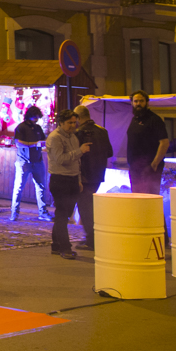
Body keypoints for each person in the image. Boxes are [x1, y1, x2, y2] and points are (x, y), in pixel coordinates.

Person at [46, 109, 90, 260]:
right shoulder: (55, 138)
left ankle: (56, 245)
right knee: (62, 215)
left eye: (74, 122)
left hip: (72, 179)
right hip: (60, 179)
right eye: (69, 123)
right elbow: (61, 159)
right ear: (61, 123)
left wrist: (78, 180)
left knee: (64, 215)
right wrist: (80, 151)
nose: (73, 125)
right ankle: (65, 248)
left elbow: (76, 162)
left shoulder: (73, 137)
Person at [73, 104, 113, 251]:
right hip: (98, 174)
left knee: (85, 208)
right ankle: (94, 237)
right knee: (91, 206)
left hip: (84, 175)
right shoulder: (102, 131)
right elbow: (110, 152)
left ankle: (91, 240)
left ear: (78, 117)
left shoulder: (79, 132)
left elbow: (76, 154)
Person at [11, 106, 53, 222]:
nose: (36, 120)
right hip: (24, 161)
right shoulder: (21, 127)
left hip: (37, 161)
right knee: (19, 188)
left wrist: (43, 144)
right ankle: (14, 212)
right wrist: (35, 144)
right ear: (30, 116)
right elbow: (18, 143)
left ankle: (43, 212)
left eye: (38, 117)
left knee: (41, 187)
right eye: (35, 117)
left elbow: (43, 141)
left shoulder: (38, 128)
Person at [126, 90, 169, 195]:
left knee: (150, 197)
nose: (138, 104)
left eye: (141, 101)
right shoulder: (134, 120)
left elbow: (164, 142)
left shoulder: (154, 120)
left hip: (149, 167)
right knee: (136, 197)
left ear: (147, 102)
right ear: (132, 103)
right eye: (136, 101)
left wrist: (154, 164)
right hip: (135, 167)